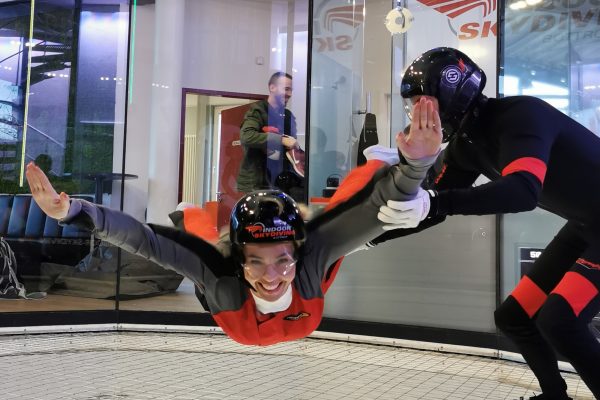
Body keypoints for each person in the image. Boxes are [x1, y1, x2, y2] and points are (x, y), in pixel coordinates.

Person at [26, 104, 442, 346]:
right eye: (257, 262)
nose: (272, 276)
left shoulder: (307, 257)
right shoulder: (222, 274)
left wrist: (416, 166)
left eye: (281, 259)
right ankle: (188, 210)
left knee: (345, 216)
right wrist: (76, 213)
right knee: (195, 231)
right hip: (228, 269)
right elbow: (145, 241)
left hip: (297, 266)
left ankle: (376, 156)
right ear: (239, 260)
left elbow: (368, 210)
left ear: (296, 252)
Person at [369, 47, 600, 400]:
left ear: (450, 92)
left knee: (559, 321)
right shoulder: (466, 145)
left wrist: (433, 201)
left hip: (593, 224)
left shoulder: (521, 116)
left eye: (421, 103)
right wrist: (364, 239)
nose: (416, 115)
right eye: (411, 107)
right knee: (514, 317)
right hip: (587, 224)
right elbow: (430, 207)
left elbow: (523, 190)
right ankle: (555, 396)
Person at [237, 72, 305, 202]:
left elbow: (290, 147)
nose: (289, 94)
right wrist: (280, 140)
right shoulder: (257, 111)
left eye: (291, 90)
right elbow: (247, 136)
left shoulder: (288, 116)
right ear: (272, 87)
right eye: (286, 89)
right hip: (257, 183)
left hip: (281, 182)